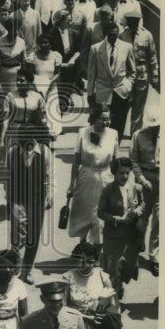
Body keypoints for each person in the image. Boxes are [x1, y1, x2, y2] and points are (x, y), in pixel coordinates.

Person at [5, 127, 54, 283]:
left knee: (33, 237)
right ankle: (16, 269)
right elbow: (7, 175)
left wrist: (50, 195)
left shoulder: (45, 152)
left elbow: (50, 176)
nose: (23, 146)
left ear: (33, 140)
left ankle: (27, 271)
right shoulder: (12, 152)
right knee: (17, 236)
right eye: (20, 142)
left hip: (37, 200)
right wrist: (9, 195)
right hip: (18, 200)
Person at [66, 105, 118, 246]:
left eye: (108, 119)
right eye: (103, 119)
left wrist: (116, 184)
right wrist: (72, 184)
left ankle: (97, 246)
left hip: (106, 176)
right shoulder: (83, 132)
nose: (106, 122)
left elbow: (115, 161)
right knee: (83, 211)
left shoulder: (113, 133)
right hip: (86, 176)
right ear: (94, 118)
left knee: (100, 214)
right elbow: (76, 161)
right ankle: (82, 243)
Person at [97, 156, 145, 298]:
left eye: (127, 172)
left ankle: (119, 285)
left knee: (128, 268)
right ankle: (113, 300)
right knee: (113, 270)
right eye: (121, 173)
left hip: (130, 237)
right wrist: (117, 219)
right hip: (113, 237)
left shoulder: (136, 188)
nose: (124, 176)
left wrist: (137, 211)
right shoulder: (107, 190)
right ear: (114, 173)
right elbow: (100, 212)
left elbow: (143, 204)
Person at [86, 22, 135, 141]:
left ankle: (114, 149)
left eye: (115, 34)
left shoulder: (127, 47)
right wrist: (90, 94)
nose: (113, 37)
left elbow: (132, 71)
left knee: (119, 124)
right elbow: (91, 74)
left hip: (121, 91)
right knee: (101, 122)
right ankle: (99, 147)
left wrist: (128, 85)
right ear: (105, 34)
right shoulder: (96, 49)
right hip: (103, 92)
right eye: (110, 35)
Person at [120, 8, 159, 136]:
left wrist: (155, 75)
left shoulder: (146, 35)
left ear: (139, 21)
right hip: (125, 74)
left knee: (138, 106)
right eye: (130, 22)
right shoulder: (122, 36)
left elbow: (152, 56)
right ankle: (118, 132)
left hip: (141, 73)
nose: (133, 25)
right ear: (127, 22)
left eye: (135, 22)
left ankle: (135, 135)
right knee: (123, 105)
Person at [131, 105, 160, 275]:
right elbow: (133, 160)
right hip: (145, 178)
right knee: (142, 216)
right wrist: (141, 178)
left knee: (159, 219)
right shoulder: (138, 136)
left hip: (163, 179)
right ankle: (138, 242)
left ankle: (154, 257)